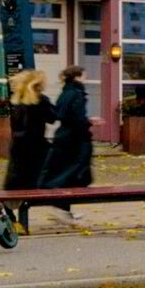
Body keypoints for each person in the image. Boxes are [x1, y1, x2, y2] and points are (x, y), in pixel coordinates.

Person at [38, 64, 94, 193]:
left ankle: (63, 200)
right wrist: (87, 122)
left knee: (69, 167)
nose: (86, 78)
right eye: (84, 75)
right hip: (75, 137)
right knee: (76, 166)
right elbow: (76, 116)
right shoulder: (76, 93)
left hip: (65, 135)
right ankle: (55, 192)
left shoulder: (65, 92)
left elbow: (61, 112)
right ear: (77, 77)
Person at [2, 68, 56, 191]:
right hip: (36, 145)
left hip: (19, 144)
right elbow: (53, 117)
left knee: (17, 176)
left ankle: (10, 203)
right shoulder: (40, 100)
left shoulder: (18, 101)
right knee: (36, 176)